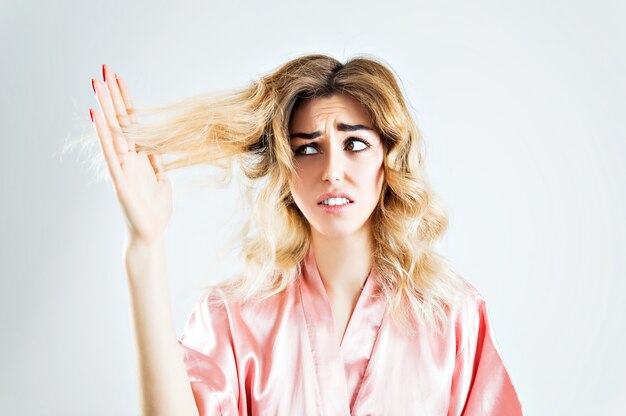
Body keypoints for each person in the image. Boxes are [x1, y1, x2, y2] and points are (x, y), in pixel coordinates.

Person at [87, 54, 523, 415]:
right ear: (286, 171)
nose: (332, 171)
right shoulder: (234, 319)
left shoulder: (452, 318)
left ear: (388, 157)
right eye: (307, 149)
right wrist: (144, 245)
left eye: (354, 144)